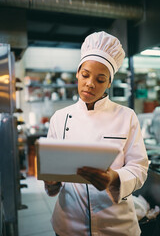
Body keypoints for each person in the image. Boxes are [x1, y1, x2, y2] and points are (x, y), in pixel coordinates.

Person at [44, 31, 148, 236]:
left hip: (117, 225)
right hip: (68, 224)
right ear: (77, 72)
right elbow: (52, 171)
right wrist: (51, 180)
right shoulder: (59, 117)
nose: (90, 83)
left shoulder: (126, 116)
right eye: (85, 75)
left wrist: (114, 178)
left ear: (109, 83)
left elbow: (139, 168)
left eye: (100, 79)